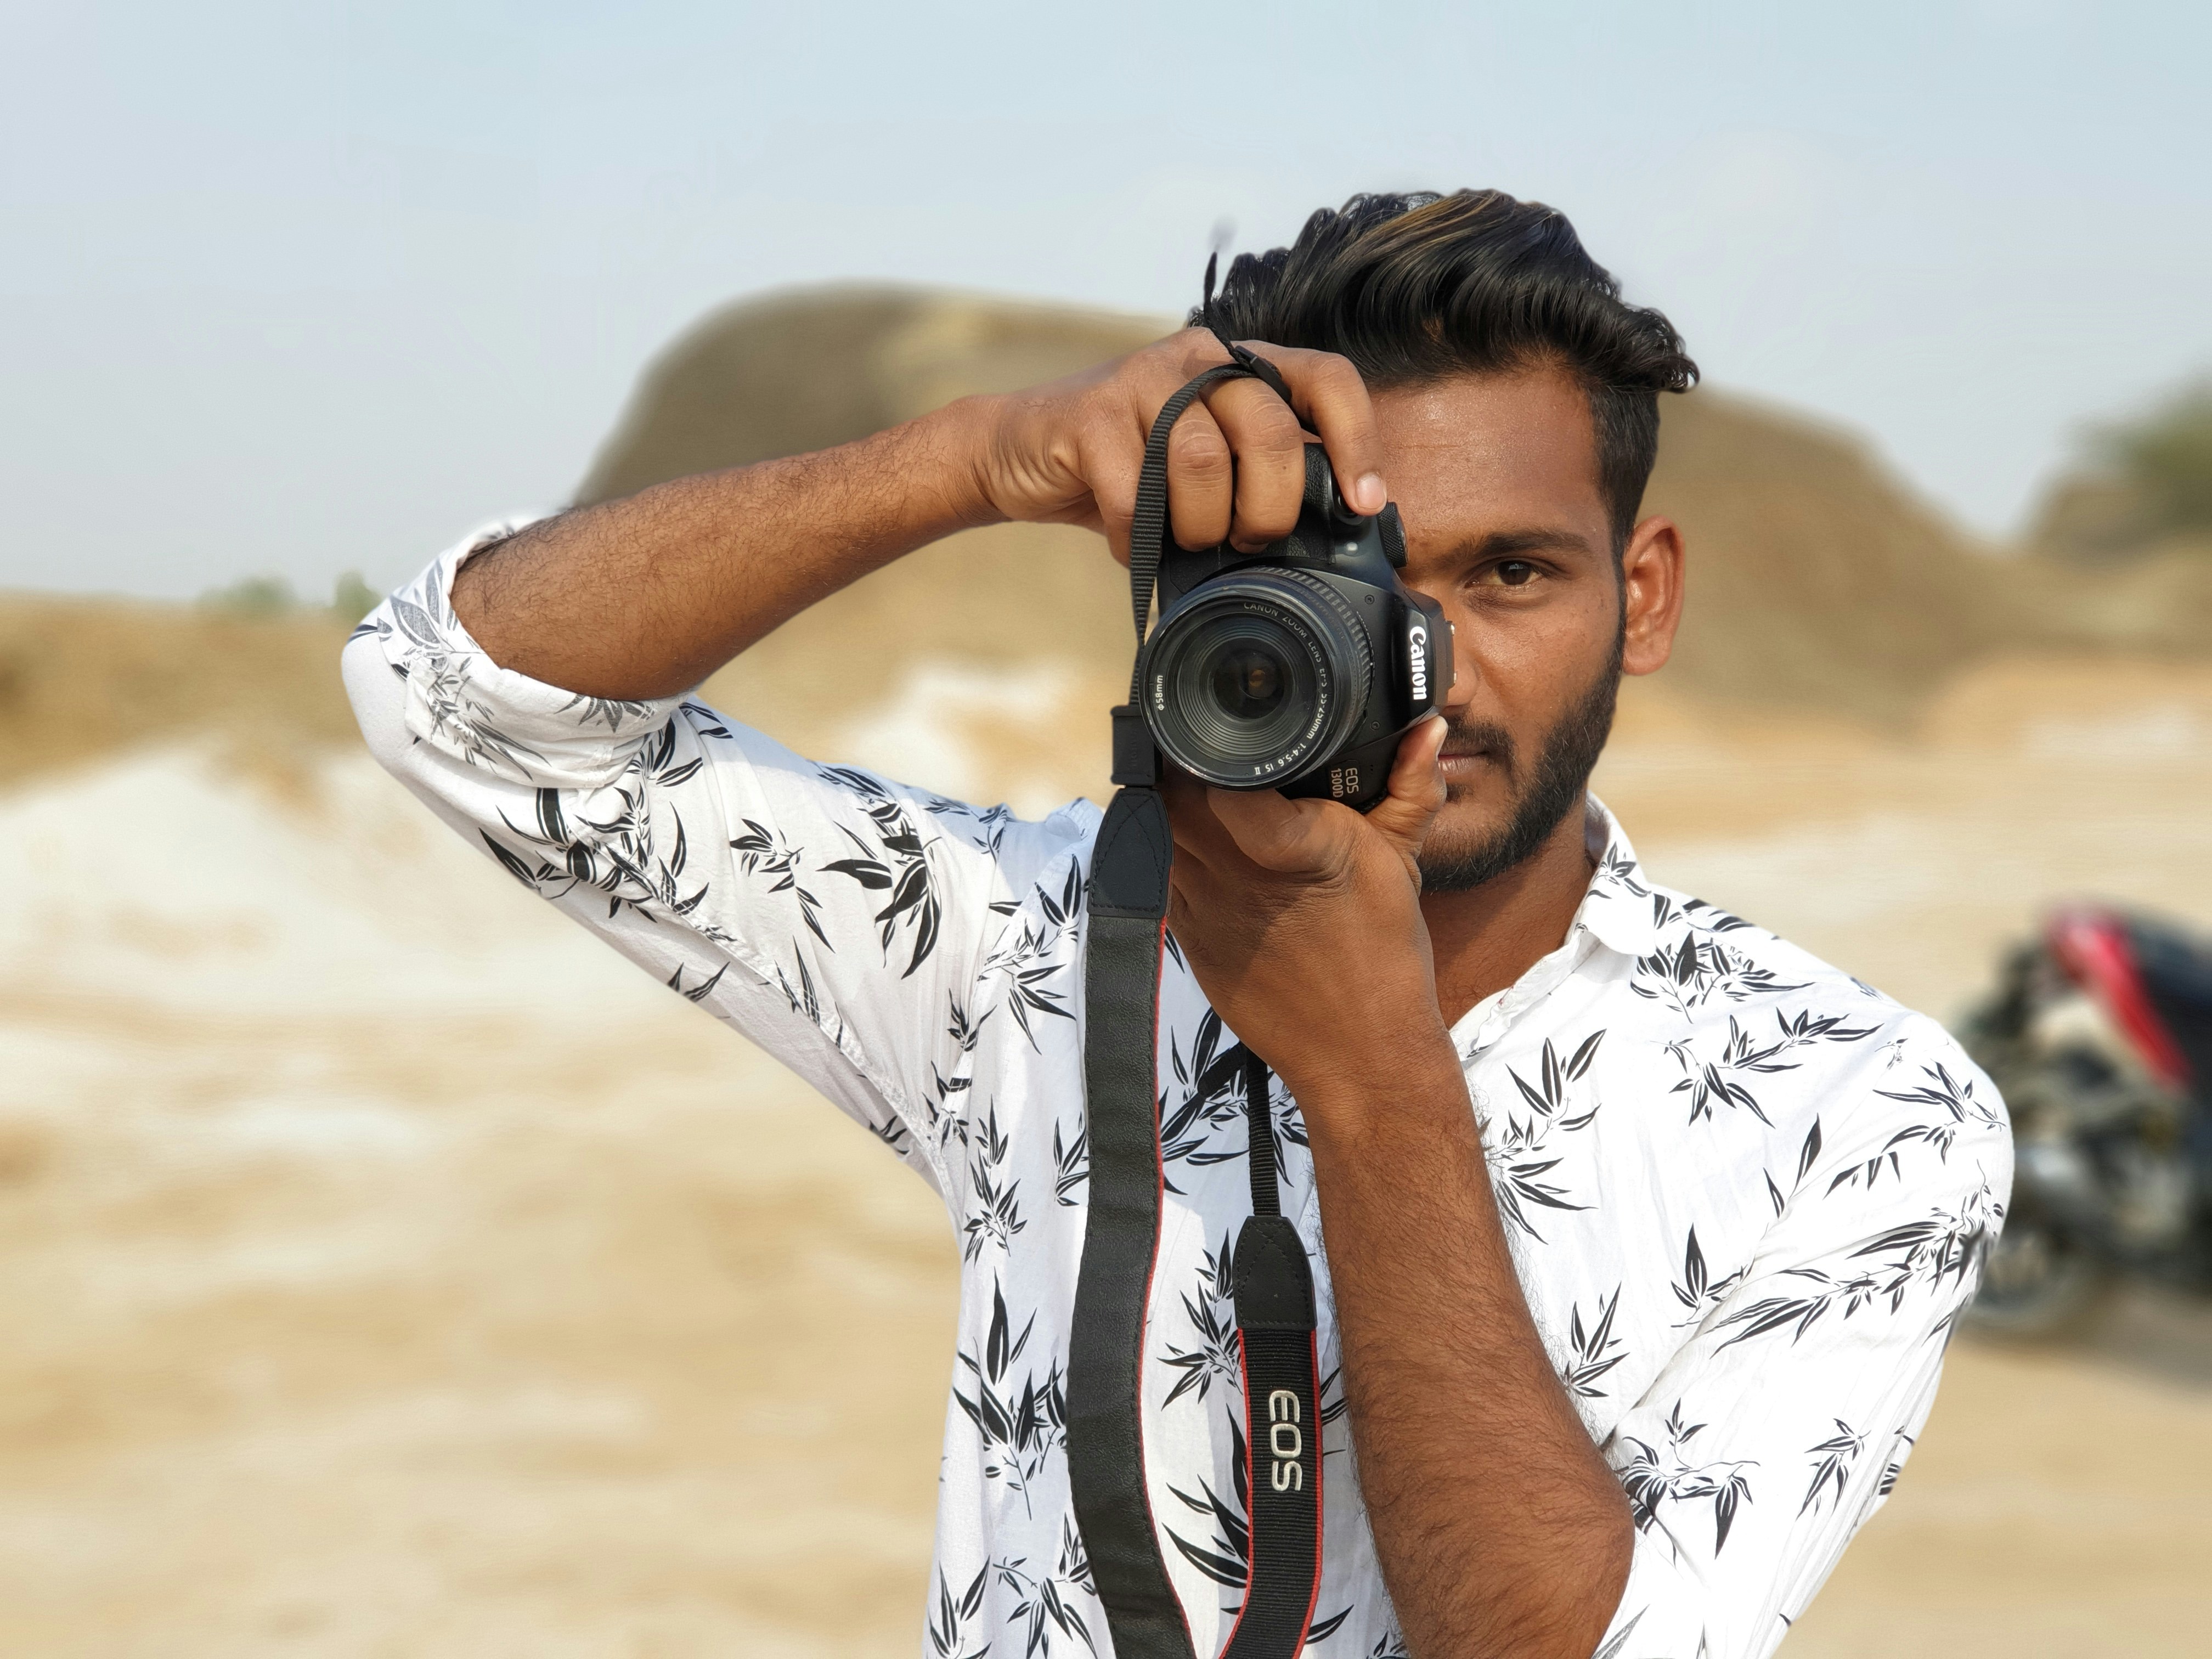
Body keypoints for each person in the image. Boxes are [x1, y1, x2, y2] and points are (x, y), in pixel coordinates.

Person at [345, 190, 2011, 1659]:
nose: (1423, 659)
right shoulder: (1043, 944)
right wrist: (972, 458)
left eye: (1509, 575)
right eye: (1347, 578)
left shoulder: (1854, 1112)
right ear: (1198, 598)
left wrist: (1372, 1081)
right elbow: (451, 700)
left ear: (1639, 597)